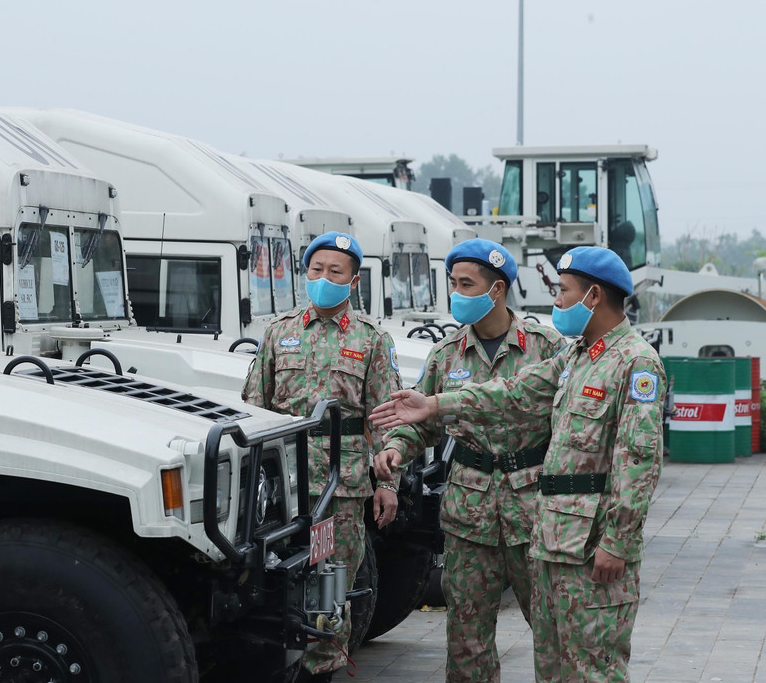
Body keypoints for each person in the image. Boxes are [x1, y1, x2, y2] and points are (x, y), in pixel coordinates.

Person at [371, 246, 665, 683]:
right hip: (548, 533)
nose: (557, 302)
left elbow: (638, 460)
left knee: (589, 665)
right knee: (553, 660)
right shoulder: (577, 357)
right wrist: (433, 404)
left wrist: (618, 541)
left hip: (584, 537)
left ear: (595, 296)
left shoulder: (634, 363)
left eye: (564, 292)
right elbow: (510, 392)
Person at [375, 238, 563, 682]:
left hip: (531, 506)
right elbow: (422, 420)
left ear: (496, 290)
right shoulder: (446, 354)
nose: (456, 292)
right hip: (470, 508)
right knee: (467, 634)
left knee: (552, 626)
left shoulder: (545, 347)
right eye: (453, 283)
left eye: (466, 283)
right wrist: (396, 449)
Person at [242, 230, 402, 683]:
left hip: (343, 487)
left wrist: (387, 483)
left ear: (353, 282)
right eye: (316, 269)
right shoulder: (279, 332)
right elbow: (254, 406)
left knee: (331, 586)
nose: (324, 278)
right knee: (275, 583)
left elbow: (387, 418)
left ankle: (322, 672)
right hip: (282, 487)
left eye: (336, 271)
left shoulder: (372, 340)